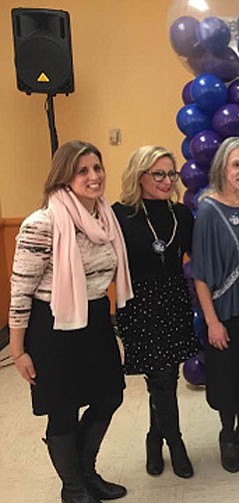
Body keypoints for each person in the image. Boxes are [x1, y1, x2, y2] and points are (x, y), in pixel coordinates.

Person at [9, 140, 133, 503]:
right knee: (63, 409)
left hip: (94, 318)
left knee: (109, 395)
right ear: (64, 177)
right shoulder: (42, 222)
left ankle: (85, 470)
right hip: (53, 326)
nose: (94, 177)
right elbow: (20, 291)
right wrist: (17, 350)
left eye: (97, 168)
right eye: (83, 170)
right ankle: (74, 487)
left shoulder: (105, 218)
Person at [113, 146, 200, 478]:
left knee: (164, 378)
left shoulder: (182, 214)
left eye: (171, 174)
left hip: (174, 303)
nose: (167, 181)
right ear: (140, 175)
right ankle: (175, 443)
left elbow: (199, 256)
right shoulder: (120, 214)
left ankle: (154, 438)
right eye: (159, 174)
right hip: (139, 306)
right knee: (161, 379)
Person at [191, 137, 239, 474]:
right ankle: (227, 435)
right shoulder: (209, 210)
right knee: (227, 381)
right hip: (225, 311)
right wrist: (212, 322)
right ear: (223, 168)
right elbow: (200, 275)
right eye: (237, 164)